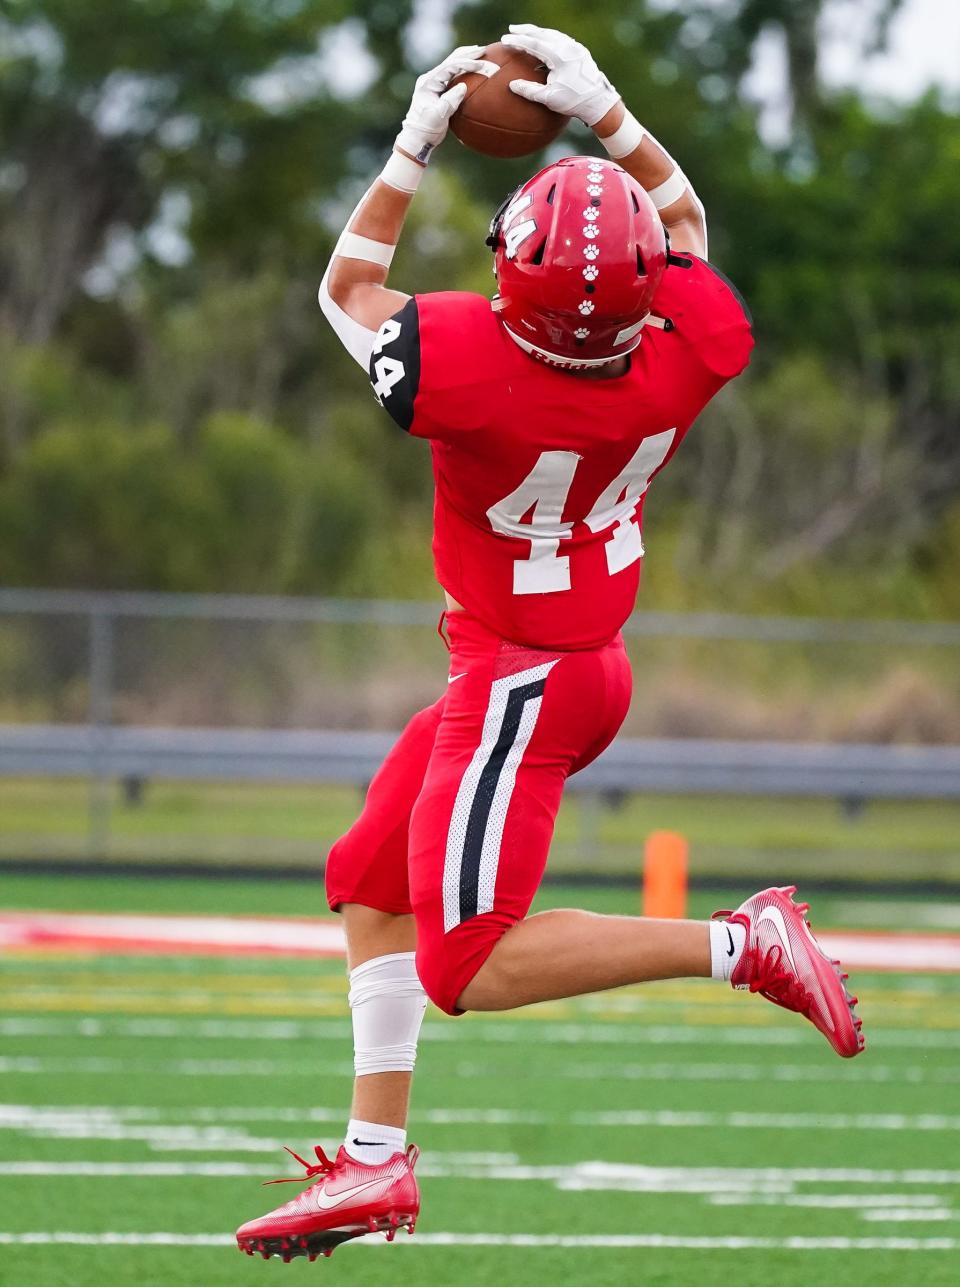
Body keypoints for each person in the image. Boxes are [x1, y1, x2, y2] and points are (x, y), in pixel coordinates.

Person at [236, 24, 864, 1263]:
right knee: (368, 877)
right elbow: (684, 231)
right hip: (567, 662)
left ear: (506, 273)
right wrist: (614, 115)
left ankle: (741, 943)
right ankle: (373, 1164)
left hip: (522, 677)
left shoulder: (456, 364)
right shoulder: (689, 361)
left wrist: (416, 137)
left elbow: (345, 288)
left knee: (466, 962)